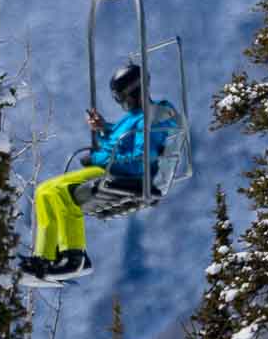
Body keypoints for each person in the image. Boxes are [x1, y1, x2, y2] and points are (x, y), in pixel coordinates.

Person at [19, 64, 182, 284]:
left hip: (125, 175)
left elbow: (138, 161)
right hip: (110, 168)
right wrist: (104, 128)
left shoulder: (150, 119)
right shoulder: (135, 116)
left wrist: (97, 158)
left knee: (60, 191)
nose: (120, 102)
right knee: (43, 191)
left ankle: (75, 257)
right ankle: (44, 257)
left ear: (131, 93)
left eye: (119, 97)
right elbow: (119, 142)